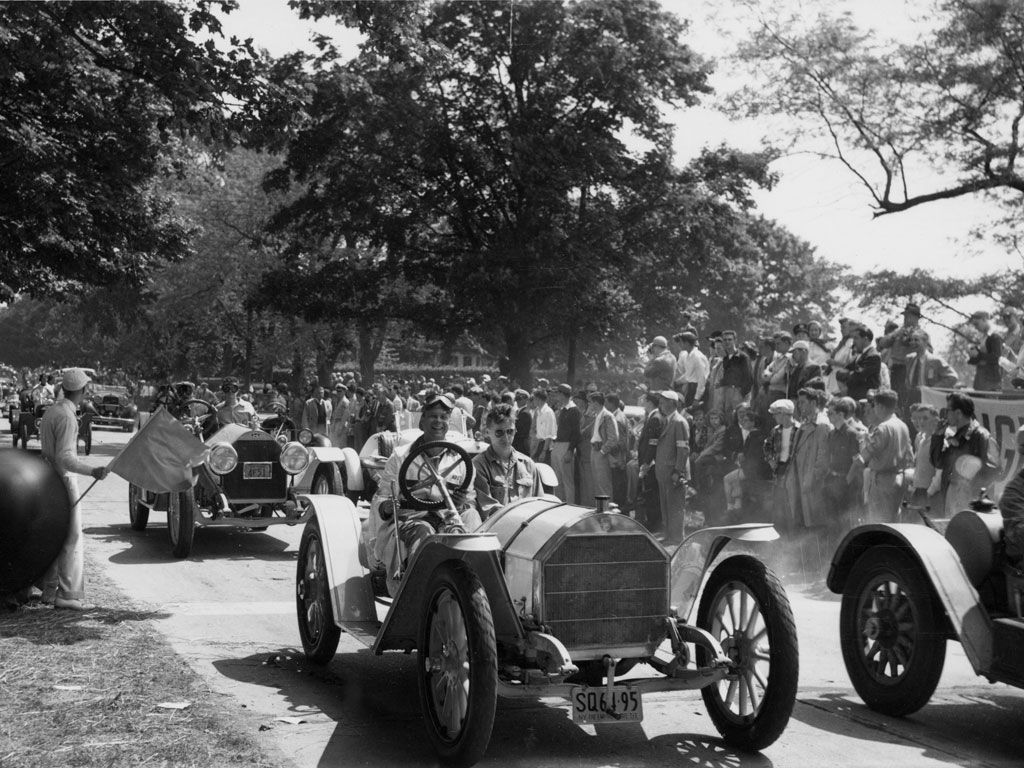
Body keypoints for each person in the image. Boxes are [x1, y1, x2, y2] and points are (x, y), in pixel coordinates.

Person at [369, 395, 478, 596]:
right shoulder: (401, 456)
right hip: (411, 520)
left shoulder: (461, 460)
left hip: (449, 519)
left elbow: (469, 500)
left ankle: (474, 587)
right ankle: (419, 594)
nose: (438, 422)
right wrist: (388, 506)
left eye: (444, 417)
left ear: (449, 423)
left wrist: (463, 503)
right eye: (433, 416)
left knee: (471, 520)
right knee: (424, 533)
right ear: (422, 421)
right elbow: (383, 498)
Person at [38, 368, 110, 610]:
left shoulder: (52, 411)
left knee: (54, 537)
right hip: (64, 479)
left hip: (48, 478)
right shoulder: (68, 417)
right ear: (82, 390)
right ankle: (67, 595)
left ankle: (49, 591)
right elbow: (66, 457)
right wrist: (92, 471)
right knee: (71, 538)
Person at [930, 391, 1001, 515]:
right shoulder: (956, 436)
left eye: (947, 411)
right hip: (952, 496)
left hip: (971, 501)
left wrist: (969, 489)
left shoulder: (981, 435)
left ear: (958, 413)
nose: (945, 415)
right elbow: (938, 462)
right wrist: (937, 436)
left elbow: (993, 470)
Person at [472, 404, 544, 521]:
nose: (506, 437)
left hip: (528, 527)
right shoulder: (478, 465)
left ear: (515, 431)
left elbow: (540, 503)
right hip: (498, 529)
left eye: (510, 431)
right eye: (499, 432)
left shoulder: (528, 464)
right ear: (487, 432)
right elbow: (489, 509)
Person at [855, 389, 913, 523]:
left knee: (879, 522)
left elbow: (865, 456)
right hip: (899, 478)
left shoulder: (883, 428)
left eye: (874, 405)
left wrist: (863, 442)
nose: (874, 409)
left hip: (882, 481)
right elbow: (910, 455)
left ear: (880, 406)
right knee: (894, 522)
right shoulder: (903, 425)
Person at [790, 388, 832, 530]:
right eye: (799, 403)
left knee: (814, 522)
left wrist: (812, 478)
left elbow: (823, 458)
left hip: (811, 483)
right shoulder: (804, 423)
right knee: (801, 520)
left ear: (813, 403)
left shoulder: (821, 425)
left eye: (803, 402)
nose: (799, 406)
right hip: (799, 478)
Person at [823, 397, 863, 533]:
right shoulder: (831, 434)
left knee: (845, 522)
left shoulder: (852, 434)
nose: (828, 416)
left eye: (831, 413)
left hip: (846, 483)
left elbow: (857, 462)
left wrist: (846, 481)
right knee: (831, 521)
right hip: (832, 481)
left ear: (841, 414)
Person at [653, 390, 690, 541]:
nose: (660, 403)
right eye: (660, 400)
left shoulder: (679, 422)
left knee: (675, 507)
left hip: (673, 473)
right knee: (666, 506)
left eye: (664, 400)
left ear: (673, 403)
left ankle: (676, 538)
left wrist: (678, 470)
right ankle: (669, 535)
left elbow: (683, 449)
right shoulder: (667, 420)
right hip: (663, 472)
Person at [764, 398, 799, 532]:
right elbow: (767, 446)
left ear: (784, 413)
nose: (774, 417)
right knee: (778, 502)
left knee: (791, 502)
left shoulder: (799, 429)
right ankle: (779, 533)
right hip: (780, 468)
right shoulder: (775, 430)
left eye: (776, 414)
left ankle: (792, 533)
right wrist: (770, 460)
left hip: (792, 470)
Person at [877, 302, 922, 405]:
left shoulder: (920, 334)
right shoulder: (899, 331)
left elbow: (928, 351)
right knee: (894, 398)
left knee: (905, 399)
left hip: (910, 370)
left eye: (909, 316)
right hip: (895, 369)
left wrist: (914, 342)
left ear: (916, 318)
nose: (906, 319)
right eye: (905, 316)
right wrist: (896, 334)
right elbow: (883, 343)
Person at [903, 329, 958, 411]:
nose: (912, 342)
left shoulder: (935, 361)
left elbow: (953, 377)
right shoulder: (909, 359)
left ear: (925, 342)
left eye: (916, 340)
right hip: (912, 398)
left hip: (929, 399)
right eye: (911, 340)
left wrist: (932, 389)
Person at [550, 383, 580, 503]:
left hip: (566, 445)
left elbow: (576, 433)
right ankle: (559, 504)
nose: (556, 395)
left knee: (567, 480)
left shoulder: (573, 410)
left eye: (558, 393)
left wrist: (570, 450)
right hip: (558, 445)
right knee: (557, 479)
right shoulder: (563, 409)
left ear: (563, 394)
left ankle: (570, 506)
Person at [718, 330, 753, 424]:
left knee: (740, 417)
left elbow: (748, 377)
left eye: (730, 339)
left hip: (738, 392)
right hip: (727, 392)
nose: (727, 342)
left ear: (735, 341)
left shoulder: (743, 357)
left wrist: (742, 394)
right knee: (729, 418)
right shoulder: (725, 358)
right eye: (725, 340)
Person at [589, 391, 619, 501]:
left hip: (601, 451)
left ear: (596, 403)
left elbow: (613, 438)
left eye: (591, 403)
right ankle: (600, 509)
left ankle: (607, 510)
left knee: (603, 483)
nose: (590, 405)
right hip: (594, 449)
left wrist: (603, 451)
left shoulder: (607, 416)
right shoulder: (597, 415)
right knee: (596, 482)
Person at [841, 326, 882, 400]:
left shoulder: (873, 356)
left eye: (856, 338)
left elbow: (858, 376)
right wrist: (849, 373)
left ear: (865, 339)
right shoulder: (860, 354)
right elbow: (844, 370)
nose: (853, 341)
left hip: (864, 399)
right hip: (855, 396)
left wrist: (848, 374)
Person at [967, 310, 1004, 391]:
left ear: (984, 319)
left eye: (976, 324)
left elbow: (997, 358)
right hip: (981, 380)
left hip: (991, 382)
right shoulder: (984, 337)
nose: (975, 327)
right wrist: (973, 356)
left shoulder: (995, 336)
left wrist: (978, 355)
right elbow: (981, 357)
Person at [673, 331, 709, 407]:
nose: (680, 344)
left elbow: (702, 379)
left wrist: (697, 398)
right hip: (691, 388)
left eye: (681, 342)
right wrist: (677, 382)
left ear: (687, 343)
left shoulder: (697, 357)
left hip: (698, 390)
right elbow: (688, 375)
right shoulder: (688, 355)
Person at [531, 388, 557, 464]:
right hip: (538, 444)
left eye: (534, 399)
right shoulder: (538, 411)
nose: (533, 401)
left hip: (545, 446)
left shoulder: (548, 412)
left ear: (538, 399)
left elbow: (550, 434)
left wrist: (544, 451)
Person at [512, 389, 532, 455]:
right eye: (517, 399)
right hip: (517, 444)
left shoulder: (525, 413)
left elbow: (522, 432)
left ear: (526, 400)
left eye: (520, 399)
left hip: (521, 445)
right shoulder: (518, 412)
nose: (518, 401)